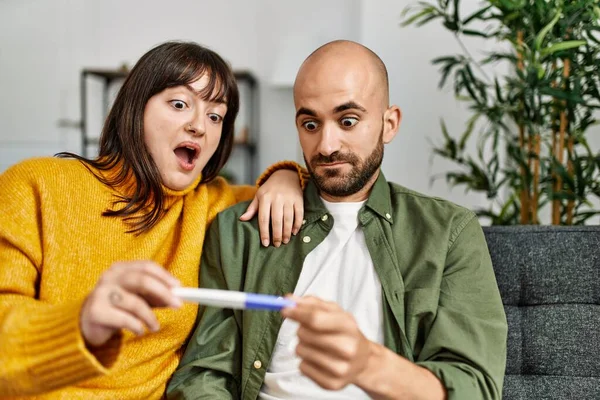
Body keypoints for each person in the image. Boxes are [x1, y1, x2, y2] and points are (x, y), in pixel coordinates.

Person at [167, 40, 508, 400]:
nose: (327, 145)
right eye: (310, 124)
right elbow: (204, 375)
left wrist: (368, 365)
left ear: (388, 124)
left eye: (348, 121)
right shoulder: (240, 232)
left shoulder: (448, 232)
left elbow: (474, 387)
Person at [0, 41, 308, 399]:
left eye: (215, 116)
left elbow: (321, 188)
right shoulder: (34, 187)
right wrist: (82, 323)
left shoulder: (213, 205)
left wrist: (286, 175)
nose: (199, 127)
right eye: (179, 104)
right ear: (136, 107)